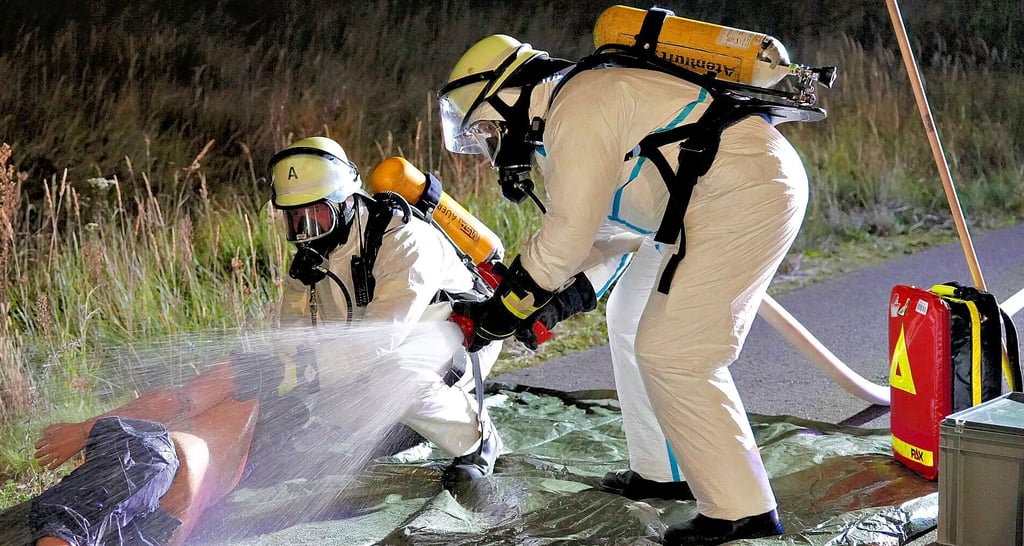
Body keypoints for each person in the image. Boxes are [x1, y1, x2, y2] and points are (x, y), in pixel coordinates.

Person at [20, 136, 504, 546]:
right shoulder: (310, 266)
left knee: (387, 379)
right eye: (294, 221)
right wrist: (90, 427)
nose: (303, 232)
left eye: (314, 217)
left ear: (345, 201)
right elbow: (279, 350)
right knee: (341, 401)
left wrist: (292, 372)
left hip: (454, 336)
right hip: (206, 456)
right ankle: (408, 425)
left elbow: (384, 338)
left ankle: (477, 442)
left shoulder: (404, 239)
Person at [439, 34, 812, 544]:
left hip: (746, 192)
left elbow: (567, 239)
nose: (488, 144)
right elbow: (606, 232)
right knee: (630, 316)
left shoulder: (579, 106)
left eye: (485, 126)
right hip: (692, 208)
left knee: (676, 352)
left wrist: (502, 313)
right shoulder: (566, 122)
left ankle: (740, 511)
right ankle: (662, 472)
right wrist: (545, 303)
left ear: (510, 95)